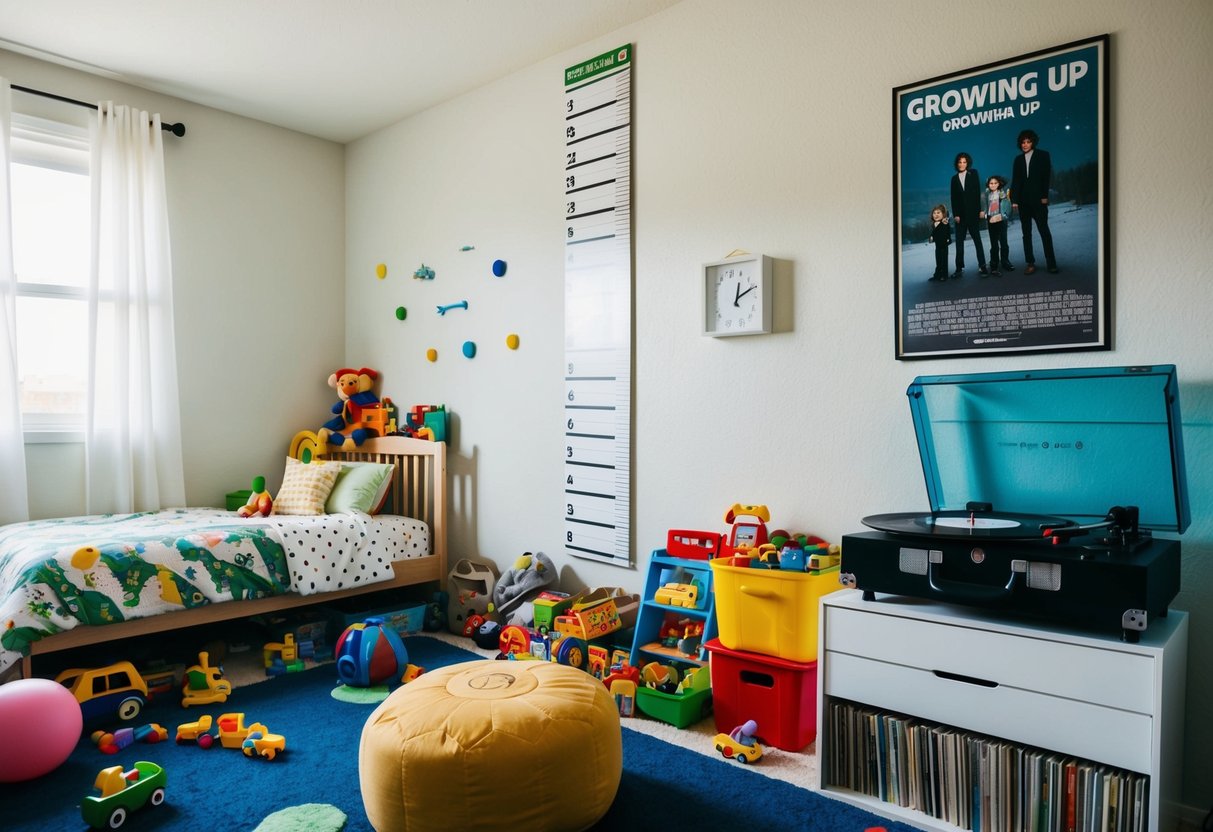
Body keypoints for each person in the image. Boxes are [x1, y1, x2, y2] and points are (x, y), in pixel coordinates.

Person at [1010, 129, 1059, 274]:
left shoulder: (1043, 155)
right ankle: (1030, 263)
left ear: (1033, 142)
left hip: (1039, 200)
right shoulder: (1017, 160)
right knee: (1026, 234)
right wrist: (1014, 200)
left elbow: (1046, 176)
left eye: (1028, 141)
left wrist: (1044, 196)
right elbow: (1016, 181)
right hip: (1023, 202)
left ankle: (1051, 263)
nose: (1025, 145)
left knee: (1044, 231)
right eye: (1023, 142)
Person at [949, 152, 989, 278]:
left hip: (972, 214)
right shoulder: (954, 179)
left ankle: (982, 266)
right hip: (960, 217)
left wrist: (981, 209)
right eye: (960, 162)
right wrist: (955, 214)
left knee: (977, 240)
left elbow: (978, 193)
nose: (962, 164)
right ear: (957, 164)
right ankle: (959, 269)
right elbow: (954, 198)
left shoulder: (974, 173)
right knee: (959, 243)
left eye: (964, 162)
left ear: (968, 163)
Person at [984, 175, 1013, 276]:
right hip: (991, 221)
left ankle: (1005, 262)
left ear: (999, 184)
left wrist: (1003, 216)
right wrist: (984, 214)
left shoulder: (1003, 194)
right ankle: (994, 264)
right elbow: (984, 206)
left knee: (1004, 242)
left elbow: (1007, 207)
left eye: (995, 183)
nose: (993, 185)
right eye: (991, 183)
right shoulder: (987, 194)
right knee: (994, 244)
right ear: (988, 184)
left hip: (1001, 220)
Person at [928, 204, 950, 282]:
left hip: (944, 244)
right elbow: (934, 233)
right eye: (934, 213)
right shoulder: (934, 224)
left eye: (938, 213)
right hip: (937, 245)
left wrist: (948, 239)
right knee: (938, 260)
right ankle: (937, 274)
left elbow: (947, 232)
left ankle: (944, 275)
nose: (936, 215)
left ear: (943, 214)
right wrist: (931, 237)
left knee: (944, 260)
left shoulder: (944, 222)